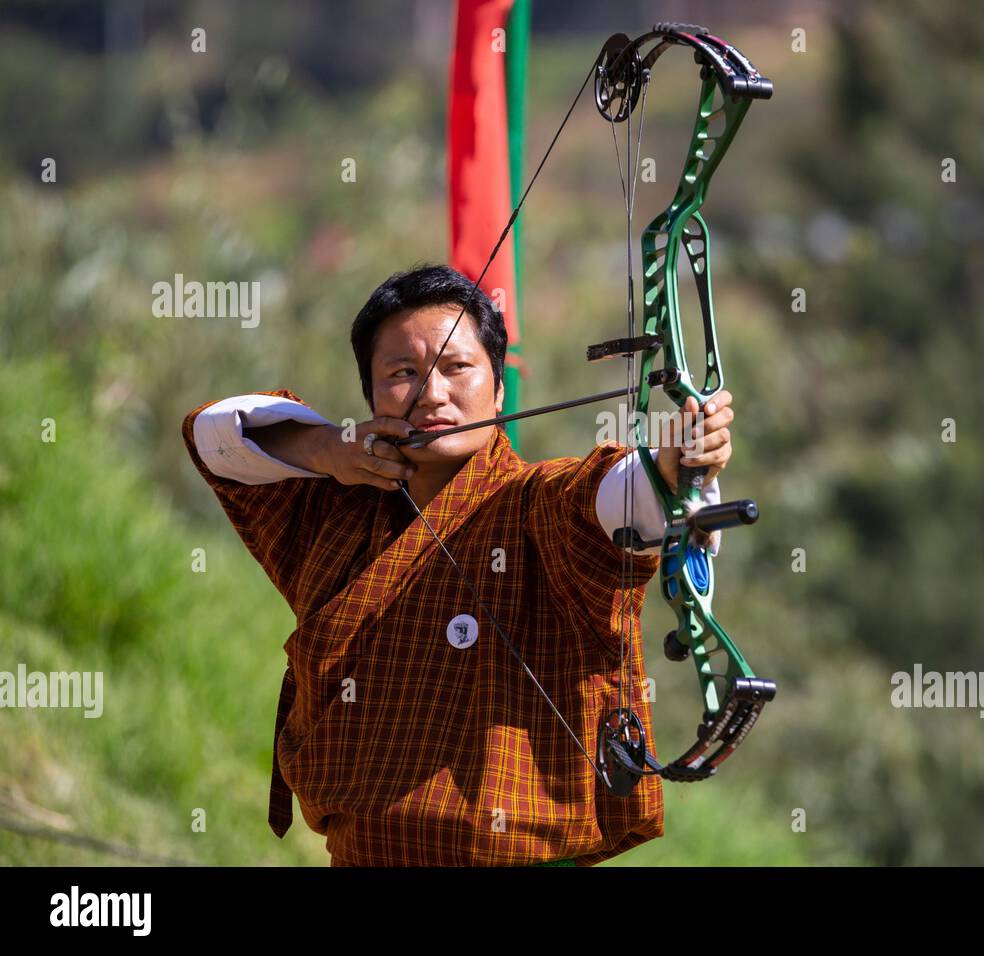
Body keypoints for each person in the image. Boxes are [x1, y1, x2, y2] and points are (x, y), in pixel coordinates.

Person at [181, 264, 736, 866]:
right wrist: (325, 447)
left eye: (456, 367)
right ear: (370, 396)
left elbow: (608, 498)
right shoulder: (333, 509)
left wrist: (671, 465)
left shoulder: (534, 504)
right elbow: (213, 437)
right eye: (402, 374)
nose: (431, 395)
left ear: (498, 388)